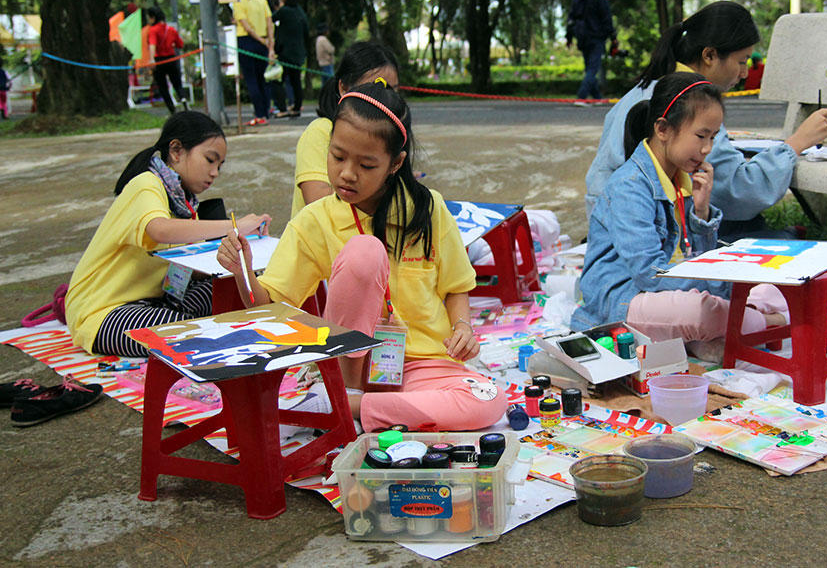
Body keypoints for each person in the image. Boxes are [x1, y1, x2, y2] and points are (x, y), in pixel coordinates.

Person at [217, 82, 506, 432]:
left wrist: (462, 327)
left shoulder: (428, 208)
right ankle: (351, 393)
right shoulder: (315, 220)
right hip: (354, 367)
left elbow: (456, 287)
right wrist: (242, 270)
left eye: (367, 164)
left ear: (395, 163)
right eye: (337, 156)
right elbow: (268, 305)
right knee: (365, 251)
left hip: (423, 364)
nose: (347, 173)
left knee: (489, 401)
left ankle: (348, 407)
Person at [571, 73, 787, 359]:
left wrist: (701, 211)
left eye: (713, 137)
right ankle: (760, 323)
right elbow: (650, 274)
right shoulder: (630, 187)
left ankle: (699, 337)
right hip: (625, 299)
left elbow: (700, 258)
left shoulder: (682, 179)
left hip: (674, 294)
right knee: (701, 311)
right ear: (662, 129)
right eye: (700, 135)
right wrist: (712, 288)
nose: (707, 148)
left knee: (775, 290)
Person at [583, 1, 827, 239]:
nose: (744, 73)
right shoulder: (693, 102)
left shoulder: (643, 91)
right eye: (741, 61)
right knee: (752, 233)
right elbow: (737, 192)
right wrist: (796, 143)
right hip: (648, 229)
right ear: (710, 55)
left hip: (606, 220)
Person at [64, 112, 270, 357]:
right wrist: (234, 226)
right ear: (176, 151)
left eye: (219, 166)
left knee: (226, 290)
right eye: (210, 160)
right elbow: (159, 230)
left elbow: (179, 272)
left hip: (158, 300)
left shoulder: (185, 205)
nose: (214, 172)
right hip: (104, 314)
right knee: (194, 334)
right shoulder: (146, 185)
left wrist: (237, 266)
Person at [291, 41, 399, 218]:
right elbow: (316, 199)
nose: (383, 97)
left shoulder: (389, 134)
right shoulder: (321, 132)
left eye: (392, 91)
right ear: (343, 88)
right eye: (339, 157)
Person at [233, 0, 275, 126]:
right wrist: (269, 44)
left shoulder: (238, 1)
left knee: (251, 80)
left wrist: (261, 41)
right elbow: (270, 23)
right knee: (264, 79)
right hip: (262, 43)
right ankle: (266, 112)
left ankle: (259, 114)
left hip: (246, 42)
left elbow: (247, 28)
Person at [567, 0, 614, 104]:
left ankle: (597, 97)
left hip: (581, 36)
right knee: (593, 68)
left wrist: (569, 37)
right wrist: (612, 36)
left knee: (589, 67)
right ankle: (581, 97)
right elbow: (606, 18)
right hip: (596, 36)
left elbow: (571, 17)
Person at [272, 0, 310, 118]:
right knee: (296, 81)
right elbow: (306, 32)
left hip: (285, 53)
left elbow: (271, 19)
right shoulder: (300, 12)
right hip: (298, 53)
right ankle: (296, 107)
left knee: (277, 81)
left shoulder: (284, 11)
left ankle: (282, 108)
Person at [146, 6, 188, 114]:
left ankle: (172, 109)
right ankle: (183, 99)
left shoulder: (153, 30)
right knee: (177, 83)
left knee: (163, 87)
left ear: (153, 17)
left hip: (159, 60)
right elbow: (180, 44)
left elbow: (152, 45)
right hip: (171, 59)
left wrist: (151, 60)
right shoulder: (171, 29)